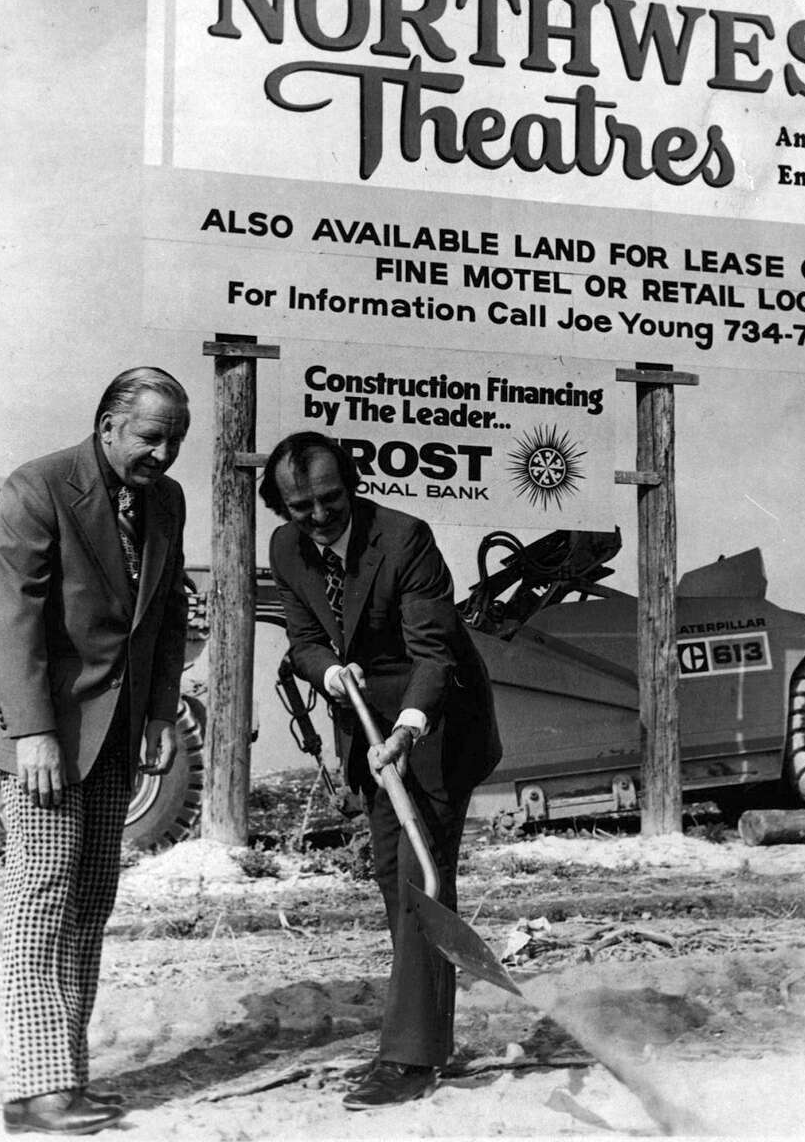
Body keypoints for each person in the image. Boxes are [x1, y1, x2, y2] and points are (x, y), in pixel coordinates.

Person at [0, 367, 190, 1135]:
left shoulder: (166, 502)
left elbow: (166, 613)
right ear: (107, 426)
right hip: (42, 738)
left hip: (117, 736)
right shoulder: (39, 487)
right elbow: (8, 615)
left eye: (174, 441)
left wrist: (160, 713)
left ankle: (65, 1079)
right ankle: (38, 1090)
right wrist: (32, 732)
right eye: (149, 436)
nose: (162, 453)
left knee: (89, 905)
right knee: (41, 902)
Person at [261, 430, 501, 1110]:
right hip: (365, 721)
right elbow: (305, 640)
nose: (317, 516)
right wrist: (329, 673)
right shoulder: (285, 548)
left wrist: (408, 730)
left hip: (434, 722)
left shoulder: (405, 539)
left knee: (418, 877)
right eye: (299, 504)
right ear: (281, 504)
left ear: (353, 486)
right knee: (390, 871)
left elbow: (435, 653)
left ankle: (409, 1058)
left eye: (330, 499)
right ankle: (424, 1035)